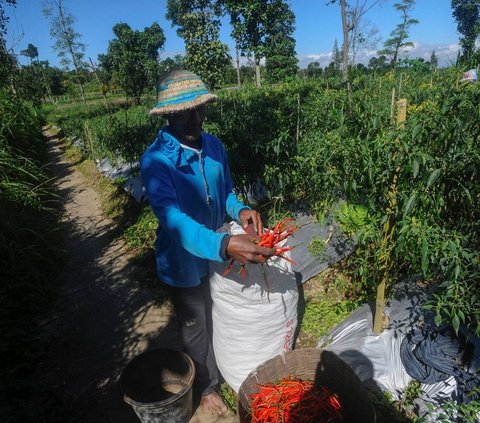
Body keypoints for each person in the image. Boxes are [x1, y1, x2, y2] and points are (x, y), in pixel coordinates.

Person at [140, 69, 275, 416]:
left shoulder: (214, 145)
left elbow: (226, 192)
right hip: (184, 261)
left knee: (220, 313)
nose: (195, 118)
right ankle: (205, 387)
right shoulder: (156, 161)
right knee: (196, 325)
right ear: (168, 115)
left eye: (200, 110)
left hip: (217, 253)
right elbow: (173, 220)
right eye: (185, 112)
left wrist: (241, 208)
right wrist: (224, 245)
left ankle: (225, 366)